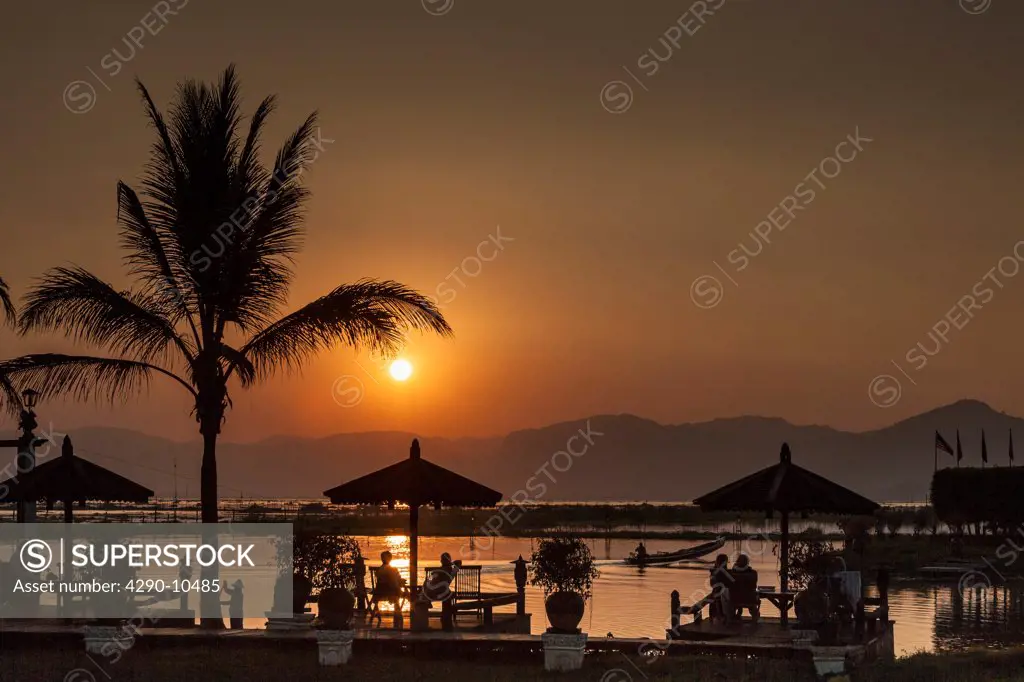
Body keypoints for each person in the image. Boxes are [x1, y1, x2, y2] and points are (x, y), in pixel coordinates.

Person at [372, 551, 406, 627]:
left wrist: (398, 582)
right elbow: (393, 583)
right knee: (398, 593)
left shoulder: (380, 569)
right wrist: (399, 584)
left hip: (379, 592)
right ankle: (398, 614)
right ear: (390, 559)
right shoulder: (391, 569)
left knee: (397, 591)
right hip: (388, 592)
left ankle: (397, 613)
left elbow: (391, 581)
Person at [729, 554, 759, 622]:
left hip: (734, 599)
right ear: (747, 563)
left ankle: (732, 616)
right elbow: (754, 586)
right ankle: (755, 616)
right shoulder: (753, 573)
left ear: (737, 562)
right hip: (750, 599)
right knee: (753, 597)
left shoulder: (731, 573)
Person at [708, 554, 732, 623]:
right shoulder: (728, 572)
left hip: (719, 594)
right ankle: (723, 616)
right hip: (725, 594)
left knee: (715, 596)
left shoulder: (715, 572)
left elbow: (712, 585)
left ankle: (715, 618)